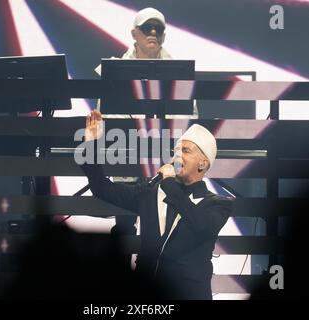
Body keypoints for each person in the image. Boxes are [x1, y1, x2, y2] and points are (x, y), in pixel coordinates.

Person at [80, 109, 233, 300]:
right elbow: (102, 188)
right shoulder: (151, 193)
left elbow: (201, 224)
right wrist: (91, 145)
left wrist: (169, 184)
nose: (177, 156)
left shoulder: (217, 204)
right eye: (175, 151)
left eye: (185, 151)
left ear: (202, 164)